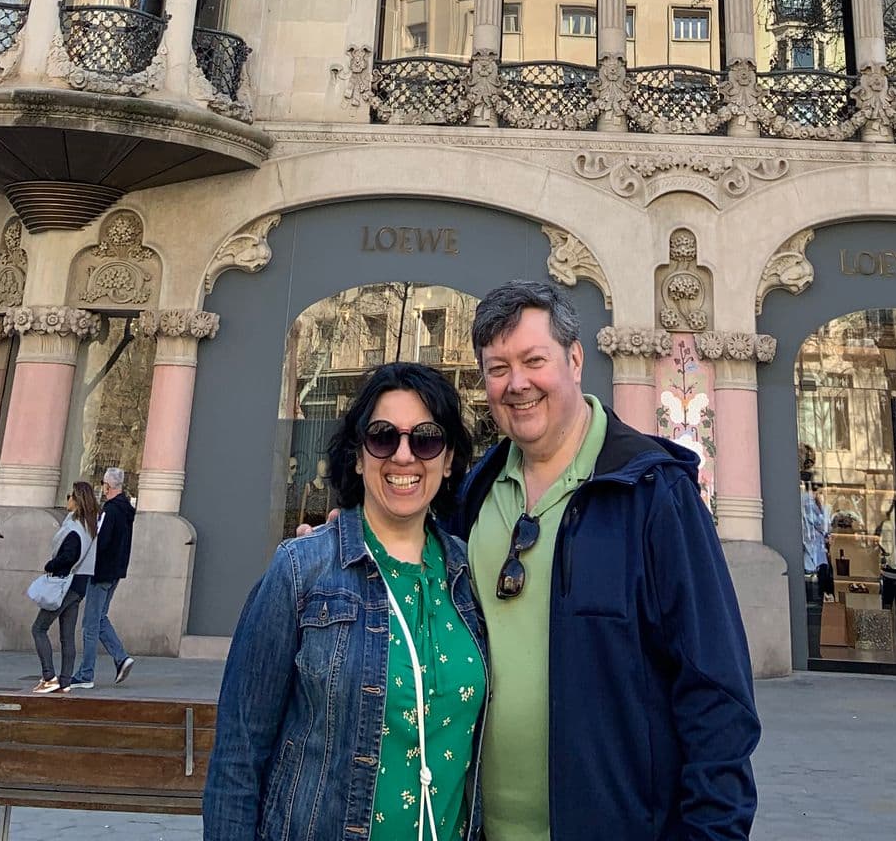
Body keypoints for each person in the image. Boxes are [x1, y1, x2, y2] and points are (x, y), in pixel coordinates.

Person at [457, 280, 759, 841]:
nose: (517, 384)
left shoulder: (653, 492)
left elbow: (717, 689)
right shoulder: (474, 495)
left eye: (533, 360)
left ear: (574, 359)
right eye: (498, 368)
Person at [204, 361, 487, 841]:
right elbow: (239, 750)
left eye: (425, 439)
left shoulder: (470, 574)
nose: (403, 456)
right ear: (358, 456)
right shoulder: (301, 569)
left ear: (449, 458)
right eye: (383, 437)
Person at [31, 481, 97, 695]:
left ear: (76, 500)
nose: (66, 499)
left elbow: (69, 556)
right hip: (79, 585)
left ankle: (49, 677)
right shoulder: (90, 526)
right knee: (67, 635)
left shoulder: (75, 529)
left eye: (69, 496)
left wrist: (51, 565)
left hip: (65, 583)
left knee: (39, 628)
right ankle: (66, 681)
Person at [72, 467, 134, 689]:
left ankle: (86, 673)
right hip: (115, 571)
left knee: (90, 623)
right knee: (100, 619)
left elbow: (101, 541)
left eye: (103, 485)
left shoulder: (110, 510)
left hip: (101, 571)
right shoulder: (126, 509)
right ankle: (120, 657)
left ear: (108, 486)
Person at [802, 481, 833, 598]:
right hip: (813, 548)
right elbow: (822, 525)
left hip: (817, 549)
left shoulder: (811, 503)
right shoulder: (808, 503)